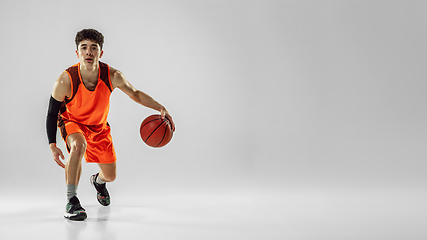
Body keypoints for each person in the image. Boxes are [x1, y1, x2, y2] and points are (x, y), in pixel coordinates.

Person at [46, 29, 175, 221]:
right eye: (84, 48)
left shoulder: (112, 75)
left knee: (111, 175)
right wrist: (52, 145)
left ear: (101, 53)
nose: (89, 52)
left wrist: (160, 107)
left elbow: (135, 94)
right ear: (77, 53)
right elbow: (51, 113)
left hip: (99, 127)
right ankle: (71, 201)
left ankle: (98, 182)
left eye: (94, 48)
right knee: (78, 145)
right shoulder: (66, 79)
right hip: (72, 121)